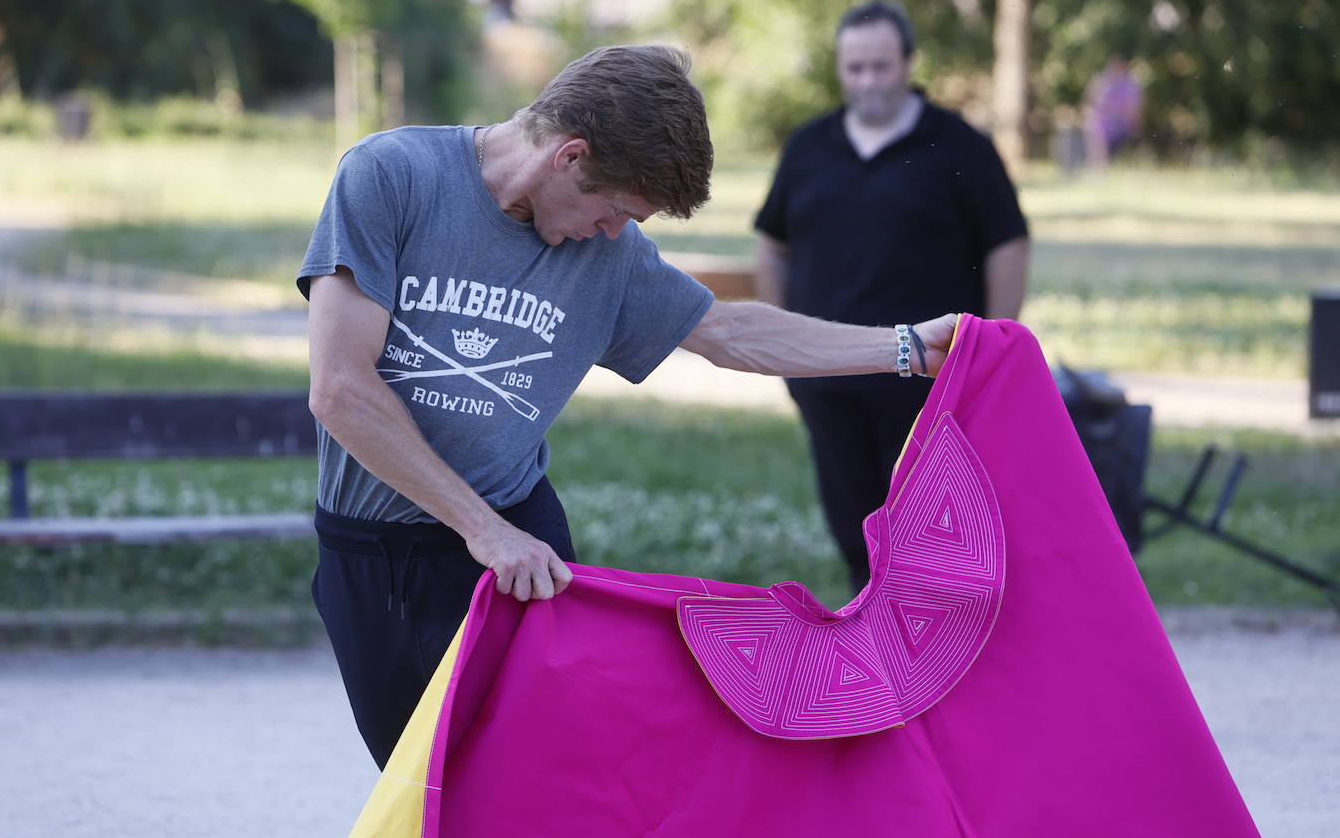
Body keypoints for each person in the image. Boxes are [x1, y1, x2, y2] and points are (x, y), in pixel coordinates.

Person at [297, 44, 959, 769]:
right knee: (422, 782)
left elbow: (730, 331)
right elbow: (341, 391)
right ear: (570, 157)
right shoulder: (391, 178)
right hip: (381, 555)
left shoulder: (609, 255)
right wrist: (480, 529)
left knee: (544, 785)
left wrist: (905, 349)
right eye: (615, 211)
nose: (616, 233)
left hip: (520, 544)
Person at [754, 0, 1029, 593]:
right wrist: (782, 349)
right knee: (853, 527)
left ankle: (934, 651)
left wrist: (993, 348)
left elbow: (1009, 245)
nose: (868, 81)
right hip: (826, 374)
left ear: (908, 62)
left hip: (928, 378)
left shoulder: (959, 148)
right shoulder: (808, 148)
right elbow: (771, 244)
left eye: (880, 66)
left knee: (928, 542)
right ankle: (869, 646)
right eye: (855, 68)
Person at [1083, 54, 1142, 168]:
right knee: (1097, 136)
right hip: (1102, 125)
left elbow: (1134, 109)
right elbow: (1090, 102)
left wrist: (1133, 122)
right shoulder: (1101, 81)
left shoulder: (1130, 85)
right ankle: (1099, 169)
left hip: (1121, 126)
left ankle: (1107, 168)